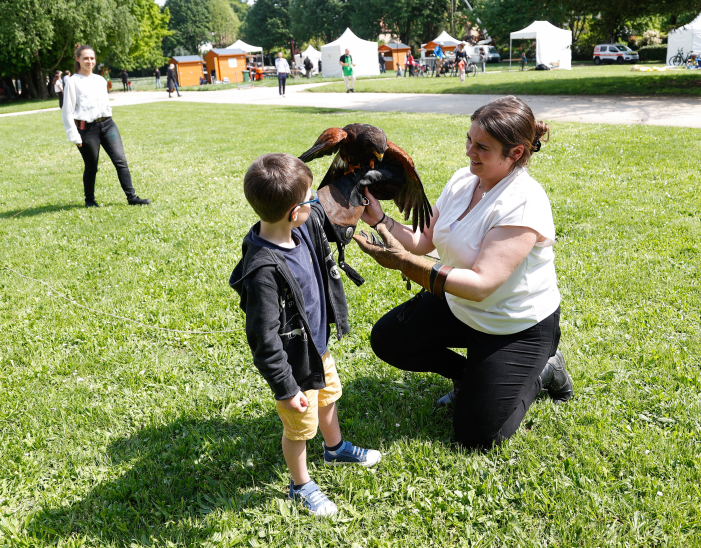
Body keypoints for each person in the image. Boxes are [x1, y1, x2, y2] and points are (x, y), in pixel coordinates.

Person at [353, 96, 573, 450]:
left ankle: (546, 370)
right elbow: (424, 240)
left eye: (482, 147)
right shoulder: (463, 180)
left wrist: (405, 264)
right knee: (388, 339)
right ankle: (468, 376)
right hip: (459, 306)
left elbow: (482, 285)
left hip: (514, 325)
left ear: (515, 153)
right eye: (469, 140)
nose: (470, 151)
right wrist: (379, 218)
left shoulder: (523, 201)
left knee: (477, 436)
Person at [229, 153, 382, 517]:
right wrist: (287, 388)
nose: (316, 202)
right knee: (299, 428)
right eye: (311, 199)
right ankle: (301, 485)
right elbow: (264, 342)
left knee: (328, 396)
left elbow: (328, 222)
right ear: (293, 211)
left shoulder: (302, 227)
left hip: (318, 346)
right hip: (294, 366)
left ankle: (336, 449)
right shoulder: (262, 270)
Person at [61, 45, 151, 208]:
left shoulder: (100, 80)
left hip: (108, 125)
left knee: (120, 161)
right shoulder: (73, 82)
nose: (89, 61)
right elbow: (67, 111)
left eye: (92, 58)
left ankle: (132, 198)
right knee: (91, 166)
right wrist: (74, 135)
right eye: (85, 58)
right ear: (78, 59)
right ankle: (90, 200)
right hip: (87, 130)